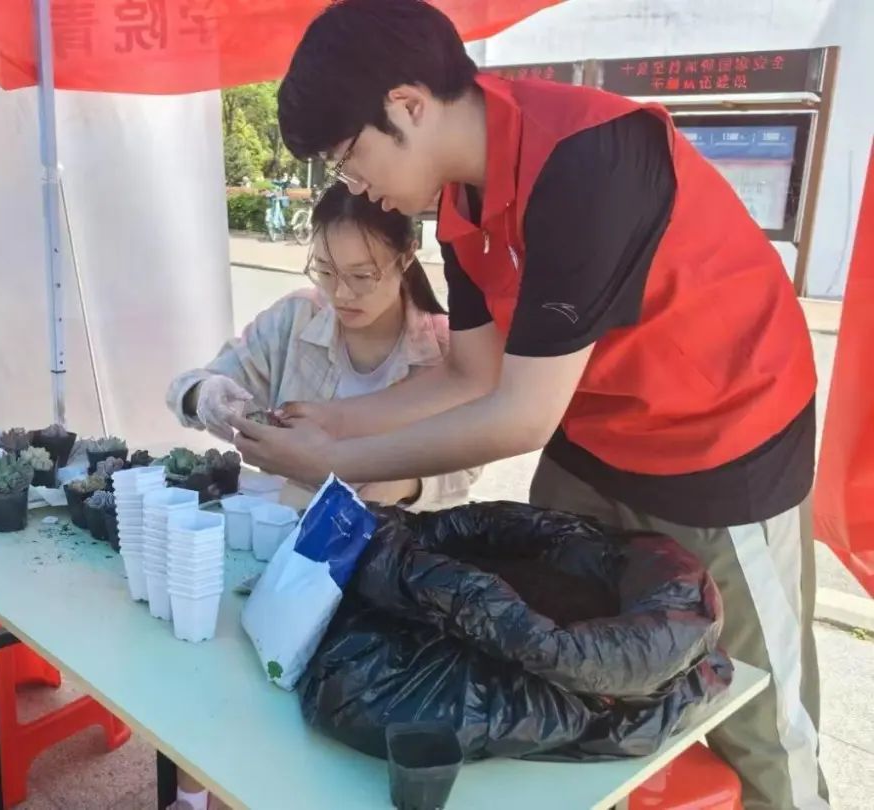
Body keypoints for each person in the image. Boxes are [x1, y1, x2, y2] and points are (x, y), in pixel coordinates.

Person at [229, 2, 827, 808]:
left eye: (349, 157)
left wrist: (333, 462)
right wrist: (334, 420)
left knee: (754, 714)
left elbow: (519, 416)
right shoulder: (460, 205)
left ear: (407, 105)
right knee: (565, 687)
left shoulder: (588, 161)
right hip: (595, 437)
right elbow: (468, 375)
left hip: (723, 444)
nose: (353, 185)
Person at [167, 180, 480, 513]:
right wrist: (204, 394)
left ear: (406, 257)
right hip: (288, 520)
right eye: (325, 271)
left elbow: (467, 462)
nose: (341, 294)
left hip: (393, 531)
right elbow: (188, 387)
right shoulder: (295, 319)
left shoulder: (447, 349)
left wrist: (405, 484)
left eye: (362, 276)